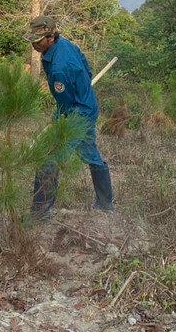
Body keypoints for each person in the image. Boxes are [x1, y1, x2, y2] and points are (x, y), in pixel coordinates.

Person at [25, 15, 114, 220]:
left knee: (49, 158)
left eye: (37, 40)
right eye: (32, 39)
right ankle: (106, 204)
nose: (34, 44)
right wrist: (83, 90)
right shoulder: (64, 44)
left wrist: (57, 117)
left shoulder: (60, 69)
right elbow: (87, 70)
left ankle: (40, 213)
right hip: (88, 107)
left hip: (77, 114)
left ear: (50, 37)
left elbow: (66, 104)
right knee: (91, 153)